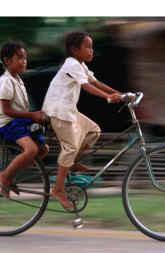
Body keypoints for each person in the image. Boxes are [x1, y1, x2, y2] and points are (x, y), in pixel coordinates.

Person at [42, 32, 122, 208]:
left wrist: (121, 95)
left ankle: (70, 163)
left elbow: (96, 83)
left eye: (92, 47)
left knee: (94, 131)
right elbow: (86, 87)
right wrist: (109, 98)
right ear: (74, 50)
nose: (92, 50)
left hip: (69, 110)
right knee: (70, 147)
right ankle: (58, 189)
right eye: (88, 47)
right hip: (58, 111)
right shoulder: (72, 64)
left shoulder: (81, 65)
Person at [0, 41, 49, 197]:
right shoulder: (6, 81)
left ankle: (10, 173)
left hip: (17, 122)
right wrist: (32, 115)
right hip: (7, 123)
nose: (24, 61)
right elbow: (6, 110)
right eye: (20, 58)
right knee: (31, 149)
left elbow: (19, 109)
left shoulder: (18, 80)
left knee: (42, 149)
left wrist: (37, 115)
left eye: (25, 57)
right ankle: (4, 176)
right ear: (7, 61)